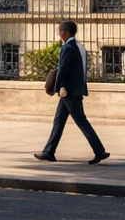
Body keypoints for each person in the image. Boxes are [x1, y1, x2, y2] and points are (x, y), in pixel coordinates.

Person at [35, 19, 109, 164]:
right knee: (59, 121)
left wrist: (58, 87)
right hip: (75, 90)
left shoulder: (68, 48)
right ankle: (48, 151)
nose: (59, 33)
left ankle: (99, 150)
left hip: (69, 92)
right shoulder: (79, 47)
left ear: (65, 32)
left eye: (60, 31)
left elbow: (64, 69)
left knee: (81, 121)